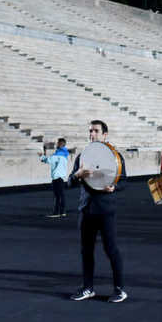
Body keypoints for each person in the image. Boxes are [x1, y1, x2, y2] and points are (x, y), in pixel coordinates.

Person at [68, 120, 127, 303]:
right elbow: (69, 182)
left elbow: (124, 181)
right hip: (86, 209)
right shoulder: (83, 156)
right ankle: (88, 288)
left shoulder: (115, 156)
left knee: (111, 250)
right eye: (90, 131)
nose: (91, 134)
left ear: (104, 134)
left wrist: (113, 187)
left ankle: (119, 289)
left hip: (105, 210)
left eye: (95, 131)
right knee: (86, 251)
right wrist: (78, 175)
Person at [39, 138, 69, 218]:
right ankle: (62, 212)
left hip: (57, 178)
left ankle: (56, 212)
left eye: (57, 143)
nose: (56, 145)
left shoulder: (58, 154)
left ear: (60, 144)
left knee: (57, 196)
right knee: (61, 195)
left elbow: (48, 160)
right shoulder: (65, 153)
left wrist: (41, 156)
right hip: (62, 178)